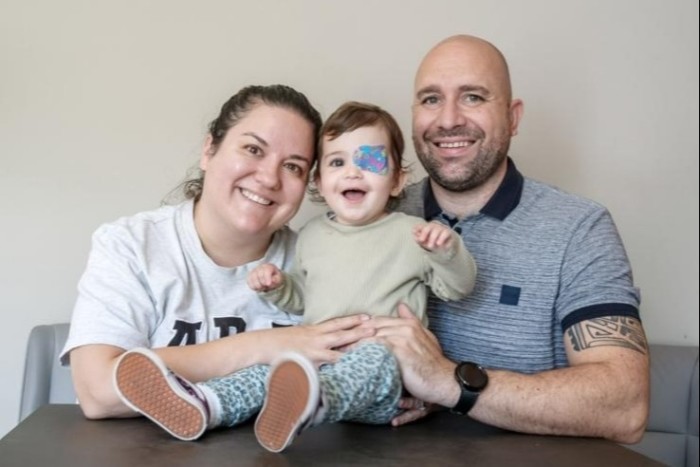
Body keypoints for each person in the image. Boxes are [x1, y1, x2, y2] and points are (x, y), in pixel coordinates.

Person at [112, 101, 476, 452]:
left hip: (386, 377)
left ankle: (312, 403)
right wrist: (279, 287)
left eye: (370, 161)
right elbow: (304, 297)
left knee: (374, 358)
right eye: (337, 162)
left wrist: (447, 253)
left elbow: (458, 288)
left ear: (397, 179)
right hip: (315, 363)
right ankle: (205, 404)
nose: (353, 172)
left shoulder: (413, 234)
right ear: (319, 182)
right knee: (265, 373)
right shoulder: (313, 237)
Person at [369, 34, 650, 444]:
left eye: (473, 97)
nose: (447, 120)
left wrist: (449, 384)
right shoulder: (376, 213)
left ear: (513, 117)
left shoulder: (579, 228)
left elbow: (625, 404)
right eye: (431, 99)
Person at [60, 84, 375, 421]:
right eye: (253, 149)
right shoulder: (131, 244)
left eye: (293, 166)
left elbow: (360, 370)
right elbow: (99, 393)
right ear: (210, 150)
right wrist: (265, 346)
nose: (269, 178)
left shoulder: (321, 261)